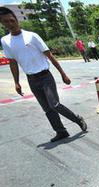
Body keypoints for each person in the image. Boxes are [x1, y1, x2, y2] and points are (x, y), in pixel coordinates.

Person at [0, 7, 87, 142]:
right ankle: (61, 131)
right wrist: (16, 82)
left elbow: (50, 56)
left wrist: (63, 74)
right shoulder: (5, 41)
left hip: (45, 76)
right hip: (32, 79)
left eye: (12, 20)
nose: (10, 23)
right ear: (3, 24)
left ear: (16, 19)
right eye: (6, 22)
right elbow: (12, 63)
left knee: (54, 104)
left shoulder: (32, 36)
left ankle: (77, 119)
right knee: (47, 108)